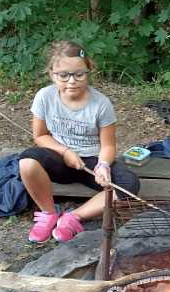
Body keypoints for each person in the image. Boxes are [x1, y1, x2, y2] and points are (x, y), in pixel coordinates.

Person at [19, 40, 140, 243]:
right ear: (52, 74)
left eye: (79, 74)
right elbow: (40, 136)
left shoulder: (101, 104)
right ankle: (48, 213)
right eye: (63, 75)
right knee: (27, 162)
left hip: (90, 162)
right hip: (58, 158)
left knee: (129, 183)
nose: (71, 81)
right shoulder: (44, 97)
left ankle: (73, 217)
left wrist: (103, 165)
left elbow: (108, 145)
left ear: (88, 71)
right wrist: (65, 151)